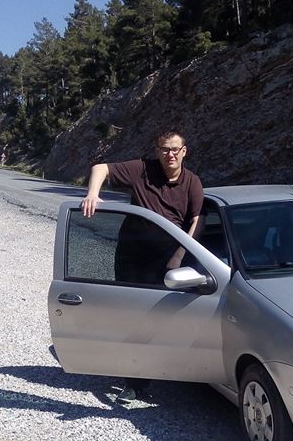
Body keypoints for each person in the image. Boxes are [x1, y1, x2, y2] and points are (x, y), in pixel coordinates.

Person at [81, 130, 204, 404]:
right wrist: (92, 195)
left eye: (175, 149)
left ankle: (163, 372)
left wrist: (180, 256)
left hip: (168, 260)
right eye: (164, 149)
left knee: (161, 319)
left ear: (184, 151)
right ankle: (134, 383)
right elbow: (100, 168)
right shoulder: (141, 170)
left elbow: (197, 220)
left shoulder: (192, 182)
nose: (170, 154)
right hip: (132, 257)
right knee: (133, 317)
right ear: (157, 151)